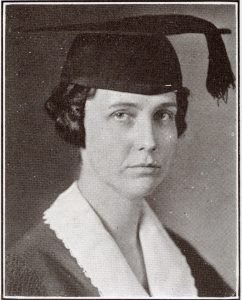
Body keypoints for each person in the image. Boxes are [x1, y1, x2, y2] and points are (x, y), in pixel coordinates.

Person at [5, 14, 235, 297]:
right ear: (76, 119)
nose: (148, 141)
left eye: (163, 115)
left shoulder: (193, 269)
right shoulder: (25, 276)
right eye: (122, 114)